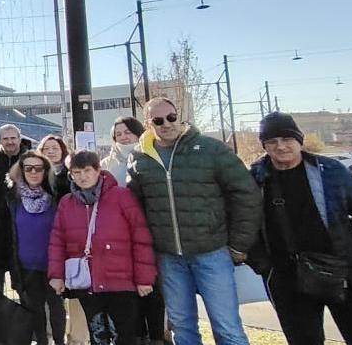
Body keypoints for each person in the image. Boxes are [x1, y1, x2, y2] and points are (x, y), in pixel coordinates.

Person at [247, 112, 352, 345]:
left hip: (350, 275)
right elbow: (244, 224)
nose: (281, 147)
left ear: (299, 141)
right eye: (272, 142)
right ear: (264, 145)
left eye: (287, 139)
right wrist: (264, 266)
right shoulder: (256, 178)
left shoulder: (331, 171)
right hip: (290, 280)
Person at [126, 97, 261, 345]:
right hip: (168, 258)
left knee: (227, 327)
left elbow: (246, 194)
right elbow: (135, 209)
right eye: (158, 120)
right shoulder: (139, 158)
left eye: (171, 117)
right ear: (148, 123)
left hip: (212, 253)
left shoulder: (211, 149)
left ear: (178, 116)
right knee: (183, 328)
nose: (166, 124)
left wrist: (240, 244)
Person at [49, 151, 157, 345]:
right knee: (98, 335)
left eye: (87, 170)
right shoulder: (67, 203)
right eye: (76, 172)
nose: (83, 176)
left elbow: (140, 238)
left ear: (98, 170)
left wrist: (144, 278)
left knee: (125, 336)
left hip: (121, 281)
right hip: (88, 281)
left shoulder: (121, 196)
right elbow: (57, 241)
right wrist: (56, 275)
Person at [103, 116, 166, 345]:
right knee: (130, 292)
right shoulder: (106, 165)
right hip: (121, 238)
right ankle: (137, 336)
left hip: (152, 231)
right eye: (118, 134)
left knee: (154, 288)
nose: (123, 137)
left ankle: (158, 337)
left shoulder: (152, 157)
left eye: (127, 132)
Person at [0, 150, 61, 345]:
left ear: (46, 171)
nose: (33, 172)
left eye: (38, 168)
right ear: (21, 171)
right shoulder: (11, 199)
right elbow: (2, 234)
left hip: (53, 266)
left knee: (56, 309)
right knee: (34, 311)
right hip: (24, 267)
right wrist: (0, 262)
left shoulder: (56, 196)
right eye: (28, 168)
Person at [0, 124, 32, 294]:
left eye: (13, 138)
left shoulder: (31, 161)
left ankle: (28, 317)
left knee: (22, 279)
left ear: (19, 139)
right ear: (0, 141)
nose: (10, 142)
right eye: (6, 139)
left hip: (23, 228)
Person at [38, 134, 71, 200]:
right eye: (46, 149)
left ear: (62, 150)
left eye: (55, 148)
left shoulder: (70, 172)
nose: (50, 152)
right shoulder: (36, 173)